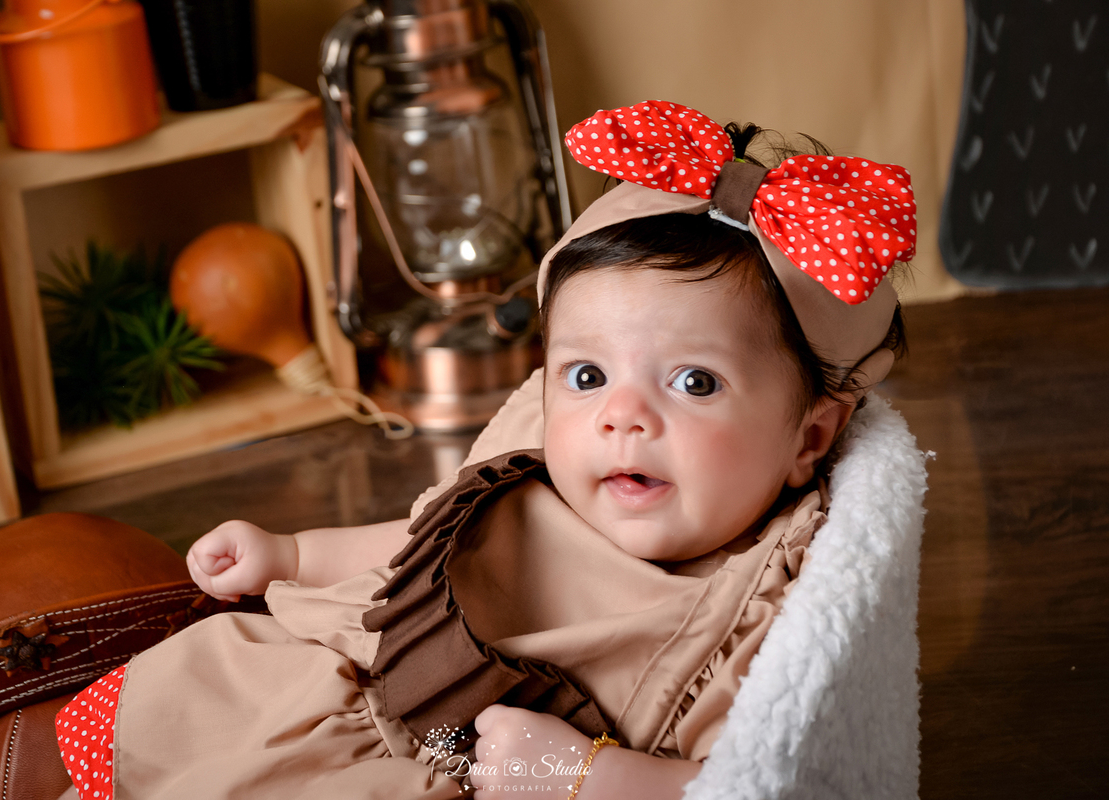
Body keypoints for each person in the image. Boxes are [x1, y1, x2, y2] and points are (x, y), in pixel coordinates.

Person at [55, 100, 915, 800]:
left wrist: (585, 775)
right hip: (338, 687)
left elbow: (742, 786)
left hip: (456, 775)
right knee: (191, 710)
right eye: (585, 376)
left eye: (694, 384)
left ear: (808, 438)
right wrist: (291, 552)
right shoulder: (542, 470)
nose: (623, 418)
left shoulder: (757, 606)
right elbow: (418, 542)